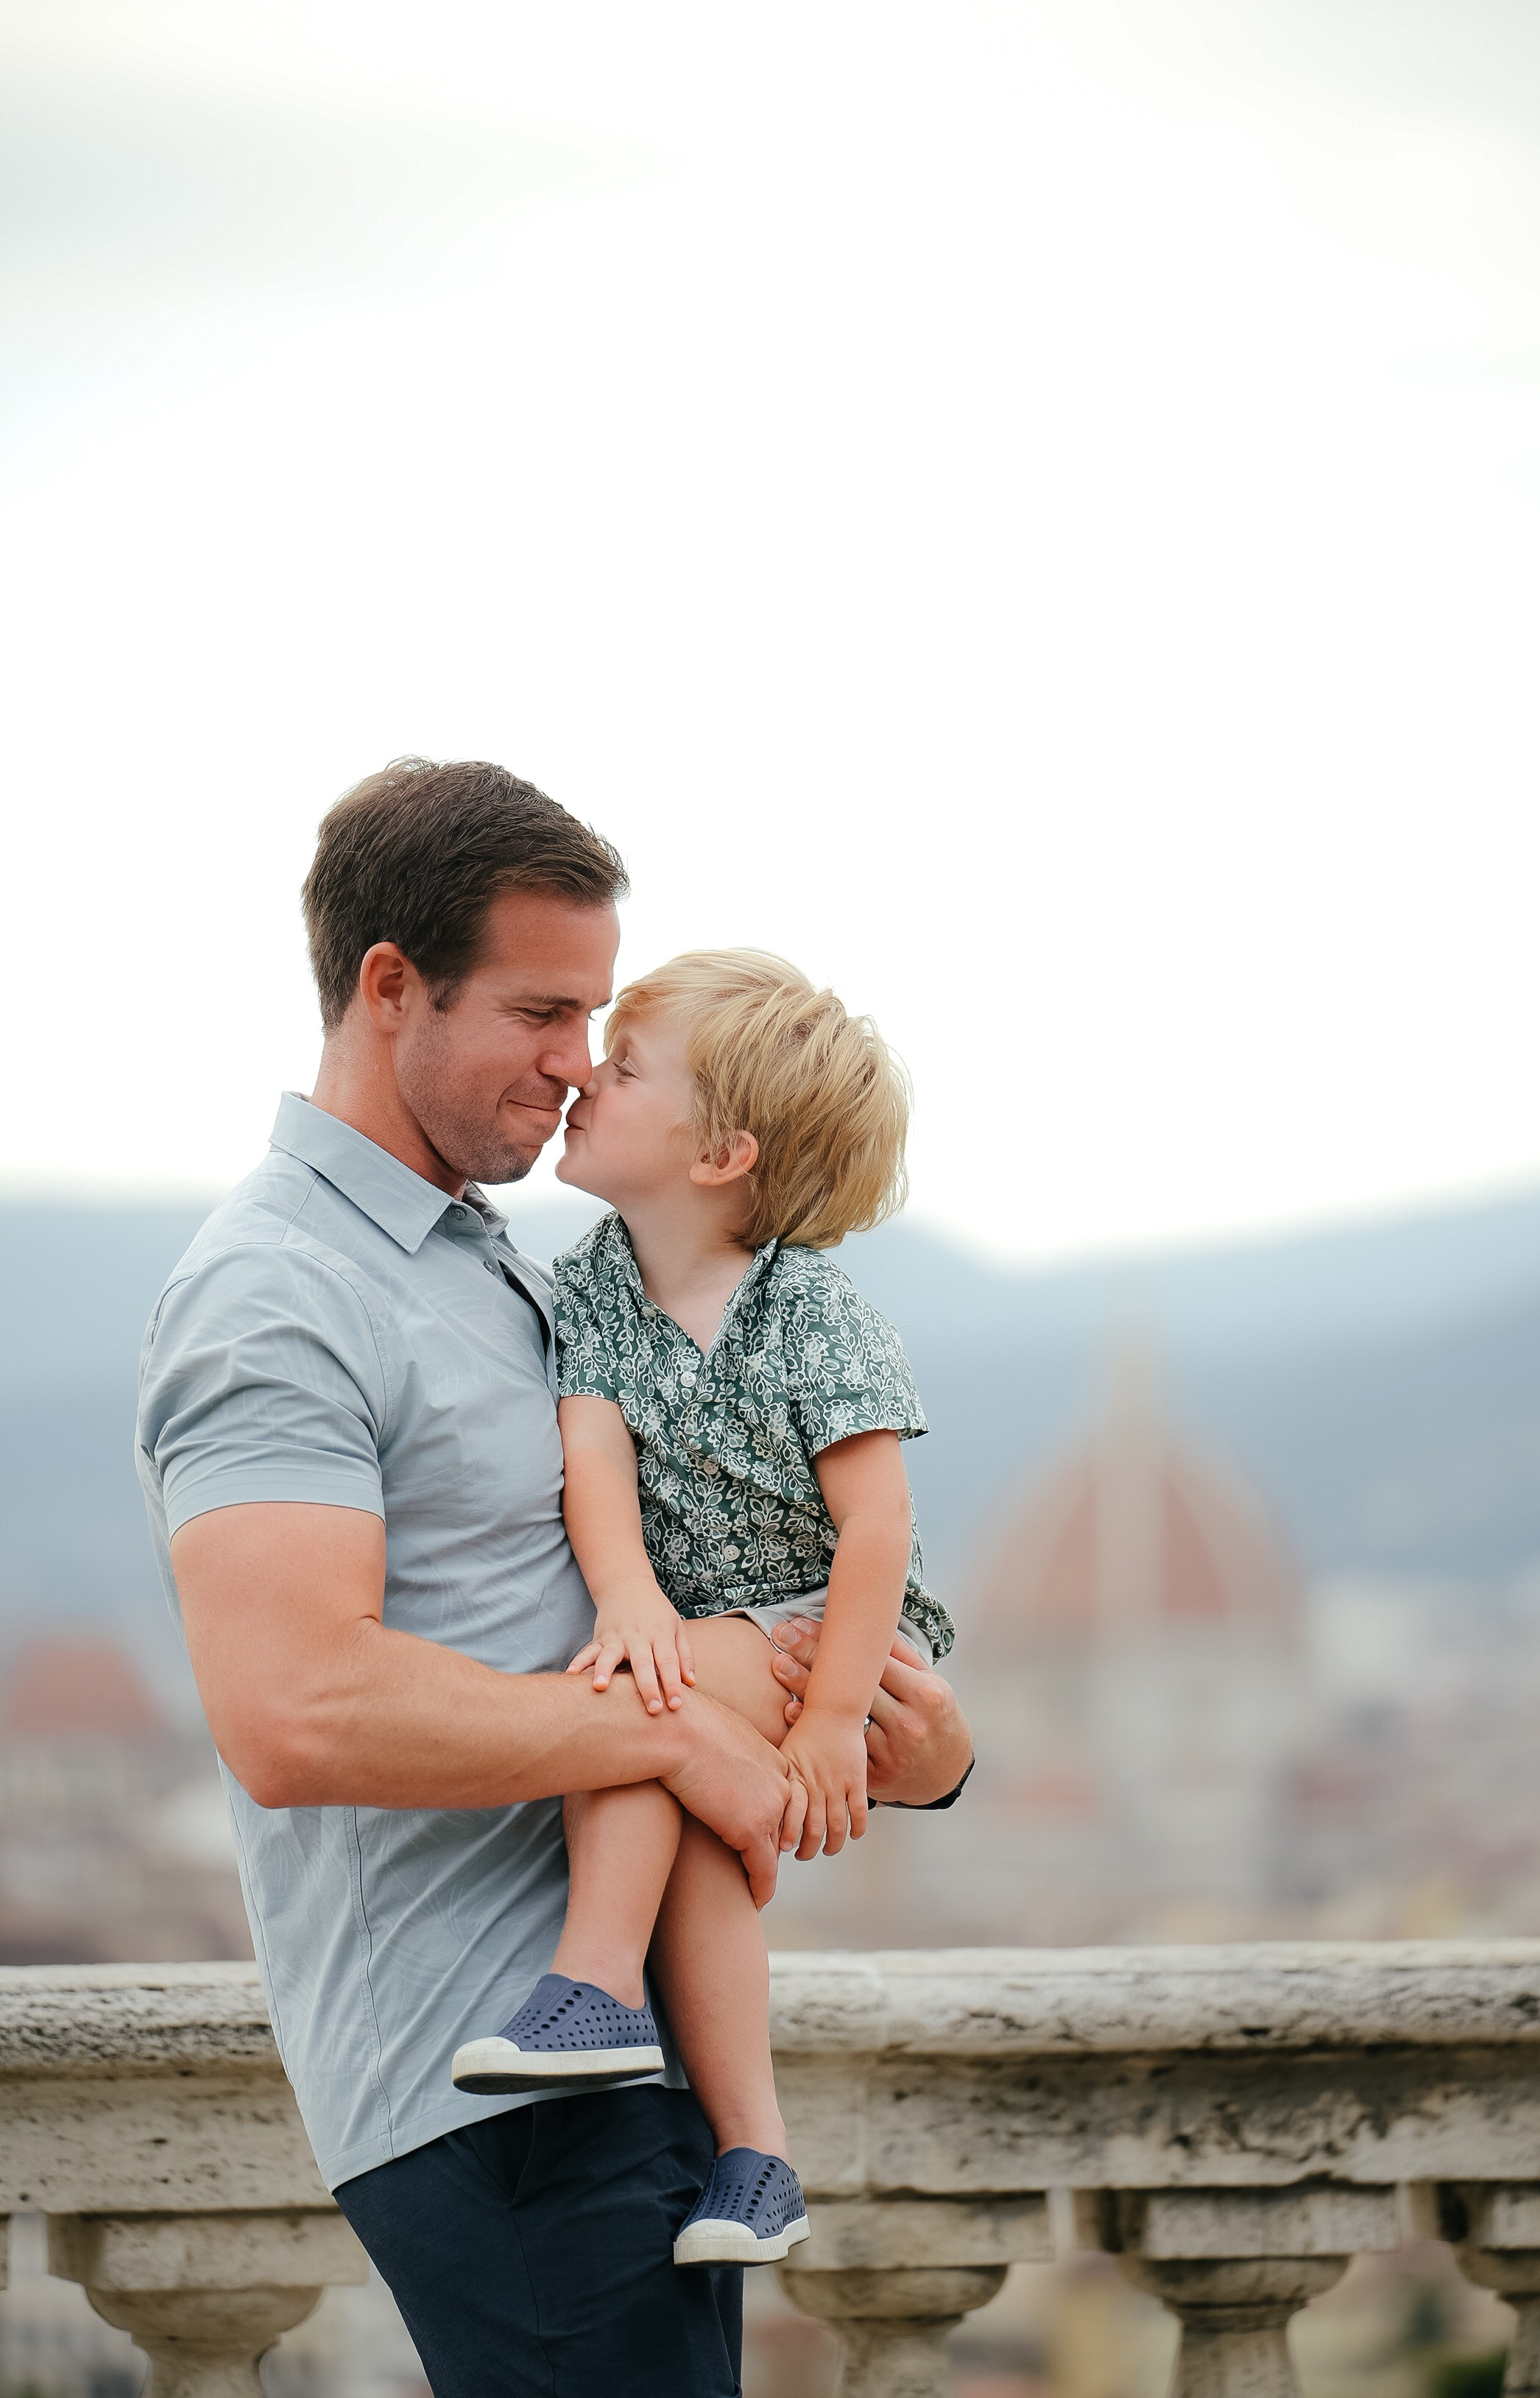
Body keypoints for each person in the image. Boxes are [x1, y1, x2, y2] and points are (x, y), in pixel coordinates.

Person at [135, 758, 974, 2398]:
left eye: (599, 1019)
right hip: (482, 2076)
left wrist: (918, 1751)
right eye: (541, 1011)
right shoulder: (272, 1293)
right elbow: (296, 1710)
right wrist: (674, 1740)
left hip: (615, 2059)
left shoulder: (511, 1269)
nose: (576, 1066)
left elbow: (738, 1575)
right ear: (391, 988)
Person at [448, 950, 955, 2268]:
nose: (582, 1081)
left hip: (818, 1624)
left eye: (621, 1071)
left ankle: (595, 1984)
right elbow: (594, 1460)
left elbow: (877, 1529)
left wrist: (839, 1713)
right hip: (699, 1620)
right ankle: (757, 2155)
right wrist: (627, 1600)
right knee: (689, 1836)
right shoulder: (601, 1282)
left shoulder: (812, 1310)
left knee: (624, 1715)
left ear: (721, 1152)